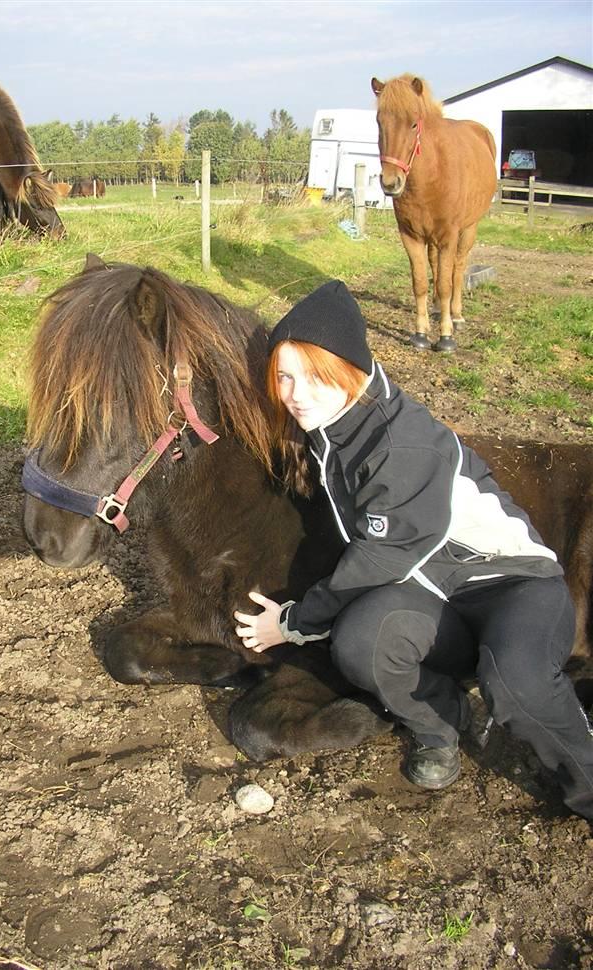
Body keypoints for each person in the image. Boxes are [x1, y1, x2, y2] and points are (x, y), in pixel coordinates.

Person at [234, 279, 593, 821]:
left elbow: (378, 558)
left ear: (350, 370)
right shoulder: (334, 426)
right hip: (431, 590)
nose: (296, 393)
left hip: (506, 583)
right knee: (360, 643)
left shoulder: (400, 444)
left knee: (516, 683)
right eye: (284, 376)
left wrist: (292, 622)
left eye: (314, 376)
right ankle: (441, 722)